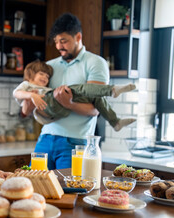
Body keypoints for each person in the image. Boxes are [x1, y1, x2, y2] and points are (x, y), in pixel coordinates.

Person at [23, 13, 113, 170]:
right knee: (35, 187)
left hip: (75, 142)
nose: (58, 46)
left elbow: (95, 109)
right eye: (56, 42)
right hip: (45, 138)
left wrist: (69, 104)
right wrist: (29, 98)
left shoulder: (95, 63)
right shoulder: (48, 67)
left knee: (68, 191)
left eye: (63, 41)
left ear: (78, 37)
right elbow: (29, 106)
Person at [13, 60, 136, 131]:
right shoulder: (27, 85)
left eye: (47, 76)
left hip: (59, 110)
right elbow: (16, 93)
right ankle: (112, 90)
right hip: (46, 106)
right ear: (30, 74)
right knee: (74, 88)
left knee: (95, 97)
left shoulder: (45, 88)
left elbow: (94, 111)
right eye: (41, 74)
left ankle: (115, 122)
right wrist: (31, 96)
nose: (45, 78)